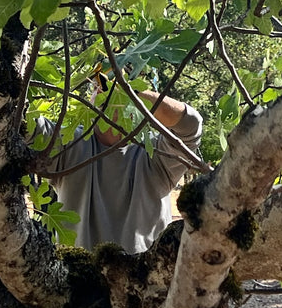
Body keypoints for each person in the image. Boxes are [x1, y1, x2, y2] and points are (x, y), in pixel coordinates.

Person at [34, 82, 203, 255]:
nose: (106, 92)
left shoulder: (156, 154)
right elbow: (28, 126)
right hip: (78, 279)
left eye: (114, 86)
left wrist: (133, 91)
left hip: (146, 279)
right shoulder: (67, 145)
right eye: (98, 87)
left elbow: (190, 127)